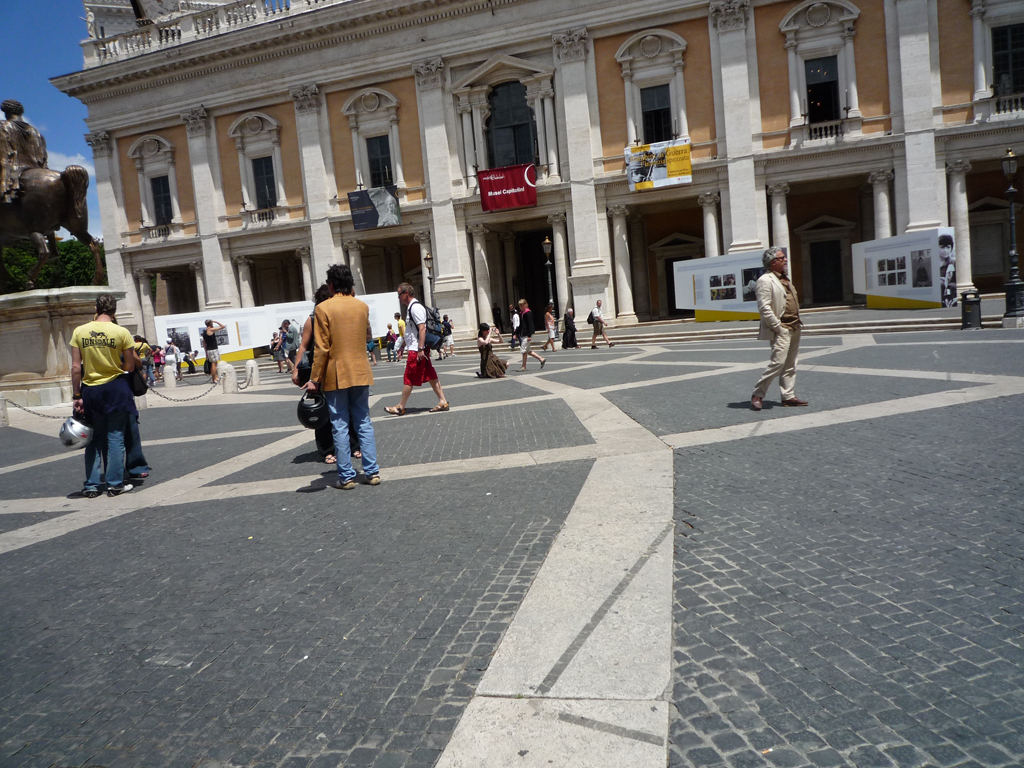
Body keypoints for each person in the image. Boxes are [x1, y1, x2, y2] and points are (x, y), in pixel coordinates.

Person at [304, 264, 380, 489]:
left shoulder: (323, 308)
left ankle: (346, 476)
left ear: (331, 285)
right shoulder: (362, 307)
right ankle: (372, 471)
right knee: (364, 422)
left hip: (336, 374)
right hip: (361, 371)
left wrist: (314, 378)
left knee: (339, 424)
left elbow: (322, 348)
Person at [69, 293, 138, 498]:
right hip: (116, 388)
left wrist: (77, 395)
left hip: (90, 389)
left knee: (92, 439)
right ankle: (115, 484)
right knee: (115, 436)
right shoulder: (121, 332)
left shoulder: (79, 331)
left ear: (96, 309)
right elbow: (130, 365)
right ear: (114, 310)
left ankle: (91, 485)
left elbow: (75, 367)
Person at [751, 246, 808, 411]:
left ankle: (788, 396)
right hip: (781, 327)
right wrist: (778, 327)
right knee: (778, 363)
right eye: (782, 258)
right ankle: (757, 394)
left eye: (784, 257)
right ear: (772, 262)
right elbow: (764, 308)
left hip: (795, 325)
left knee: (791, 364)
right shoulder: (765, 280)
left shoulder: (786, 279)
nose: (785, 260)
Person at [385, 282, 450, 415]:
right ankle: (443, 401)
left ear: (406, 293)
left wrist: (420, 349)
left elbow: (422, 329)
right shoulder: (411, 308)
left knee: (409, 377)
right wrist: (403, 345)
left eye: (399, 294)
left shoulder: (415, 308)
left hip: (417, 350)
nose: (398, 297)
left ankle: (400, 407)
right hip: (416, 348)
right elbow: (411, 331)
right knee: (431, 375)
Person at [517, 298, 546, 371]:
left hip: (526, 334)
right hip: (523, 334)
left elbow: (530, 325)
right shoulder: (521, 313)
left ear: (525, 305)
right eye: (520, 306)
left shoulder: (528, 313)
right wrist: (516, 333)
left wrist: (529, 335)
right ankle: (541, 359)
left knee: (523, 350)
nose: (521, 307)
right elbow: (521, 325)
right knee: (528, 350)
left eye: (522, 306)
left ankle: (523, 366)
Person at [202, 319, 226, 383]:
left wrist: (206, 352)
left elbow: (204, 343)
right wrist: (216, 321)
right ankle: (215, 378)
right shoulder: (210, 330)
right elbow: (223, 326)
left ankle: (214, 378)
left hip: (209, 349)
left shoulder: (204, 331)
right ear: (210, 324)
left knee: (213, 363)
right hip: (213, 348)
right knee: (213, 364)